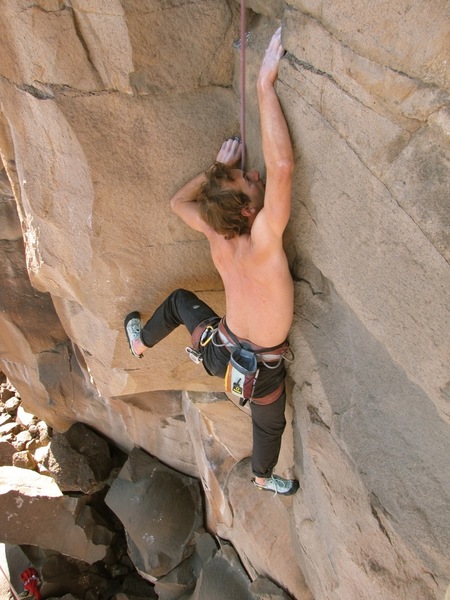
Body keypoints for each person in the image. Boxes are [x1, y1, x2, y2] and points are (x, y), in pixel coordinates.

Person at [125, 27, 298, 495]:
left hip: (218, 353)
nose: (256, 174)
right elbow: (283, 167)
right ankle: (263, 476)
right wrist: (264, 85)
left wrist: (216, 170)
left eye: (249, 175)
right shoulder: (262, 239)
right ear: (247, 212)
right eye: (249, 183)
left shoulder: (218, 236)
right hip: (258, 371)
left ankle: (141, 346)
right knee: (269, 426)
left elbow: (179, 203)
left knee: (182, 302)